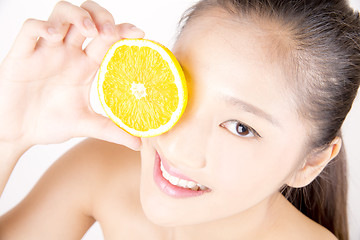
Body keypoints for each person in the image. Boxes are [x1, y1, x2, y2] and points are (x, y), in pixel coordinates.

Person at [0, 0, 359, 239]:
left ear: (311, 162)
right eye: (181, 87)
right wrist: (8, 136)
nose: (176, 146)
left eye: (241, 128)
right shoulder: (104, 168)